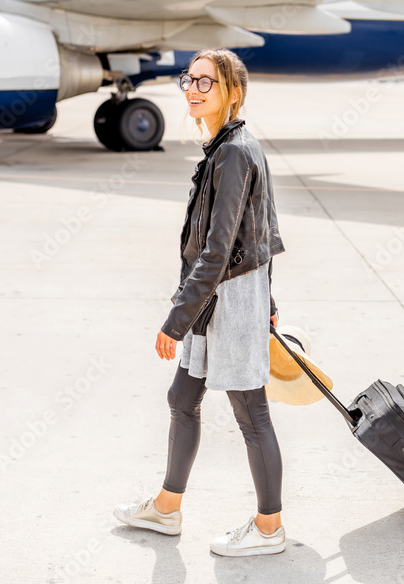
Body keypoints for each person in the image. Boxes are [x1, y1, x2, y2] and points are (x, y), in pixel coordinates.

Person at [114, 49, 287, 558]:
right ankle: (167, 509)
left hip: (226, 300)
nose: (192, 89)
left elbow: (219, 248)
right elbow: (262, 232)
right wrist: (271, 301)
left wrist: (175, 320)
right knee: (182, 400)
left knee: (251, 413)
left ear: (233, 92)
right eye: (189, 79)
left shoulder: (235, 152)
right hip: (221, 298)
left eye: (206, 82)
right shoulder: (227, 147)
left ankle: (269, 527)